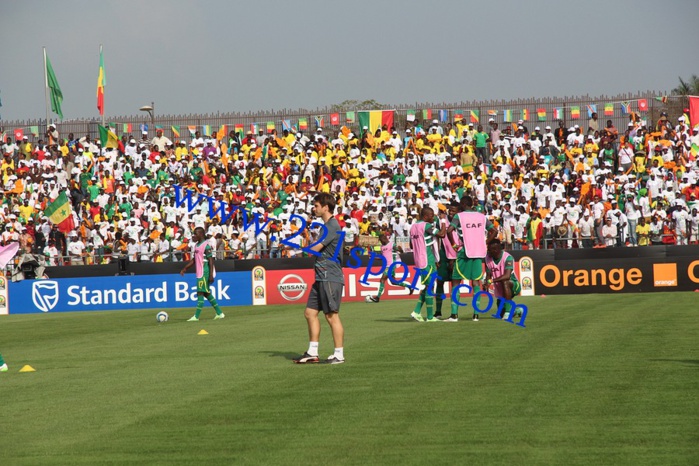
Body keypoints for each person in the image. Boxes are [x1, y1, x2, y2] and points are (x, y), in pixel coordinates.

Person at [293, 193, 346, 365]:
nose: (313, 208)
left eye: (316, 206)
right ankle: (312, 352)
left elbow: (316, 248)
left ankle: (339, 354)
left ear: (325, 207)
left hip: (329, 276)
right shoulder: (327, 226)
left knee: (331, 316)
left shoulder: (331, 226)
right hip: (321, 276)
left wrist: (299, 246)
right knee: (310, 313)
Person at [446, 195, 496, 322]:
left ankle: (454, 315)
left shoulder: (459, 216)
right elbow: (494, 231)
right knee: (476, 283)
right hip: (478, 252)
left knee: (456, 281)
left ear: (462, 205)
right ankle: (476, 315)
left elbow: (449, 230)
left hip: (464, 251)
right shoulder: (482, 216)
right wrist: (485, 242)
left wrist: (453, 245)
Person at [179, 226, 225, 321]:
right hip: (200, 272)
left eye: (195, 234)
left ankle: (196, 316)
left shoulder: (206, 245)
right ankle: (220, 313)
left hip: (205, 272)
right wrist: (185, 268)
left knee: (200, 292)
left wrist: (211, 274)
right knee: (206, 293)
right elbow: (194, 260)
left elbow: (211, 260)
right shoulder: (196, 245)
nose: (193, 235)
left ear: (201, 234)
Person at [408, 207, 445, 322]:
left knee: (428, 286)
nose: (433, 217)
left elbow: (411, 245)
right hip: (427, 259)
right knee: (430, 287)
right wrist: (443, 221)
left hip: (419, 260)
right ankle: (429, 317)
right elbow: (442, 234)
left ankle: (416, 311)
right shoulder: (426, 226)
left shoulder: (413, 227)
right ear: (425, 216)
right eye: (431, 215)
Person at [367, 233, 413, 303]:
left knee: (382, 279)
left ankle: (378, 297)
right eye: (380, 241)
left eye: (381, 240)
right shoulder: (382, 247)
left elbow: (399, 250)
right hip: (387, 265)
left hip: (391, 265)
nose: (381, 242)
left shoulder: (392, 244)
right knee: (393, 282)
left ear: (385, 238)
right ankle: (410, 286)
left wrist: (400, 249)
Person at [484, 239, 522, 320]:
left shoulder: (508, 258)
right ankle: (517, 311)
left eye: (489, 250)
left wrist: (491, 281)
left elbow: (507, 276)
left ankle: (508, 313)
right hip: (500, 288)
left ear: (496, 250)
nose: (488, 251)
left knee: (505, 281)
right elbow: (488, 274)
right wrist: (486, 282)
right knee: (501, 313)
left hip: (513, 285)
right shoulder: (487, 258)